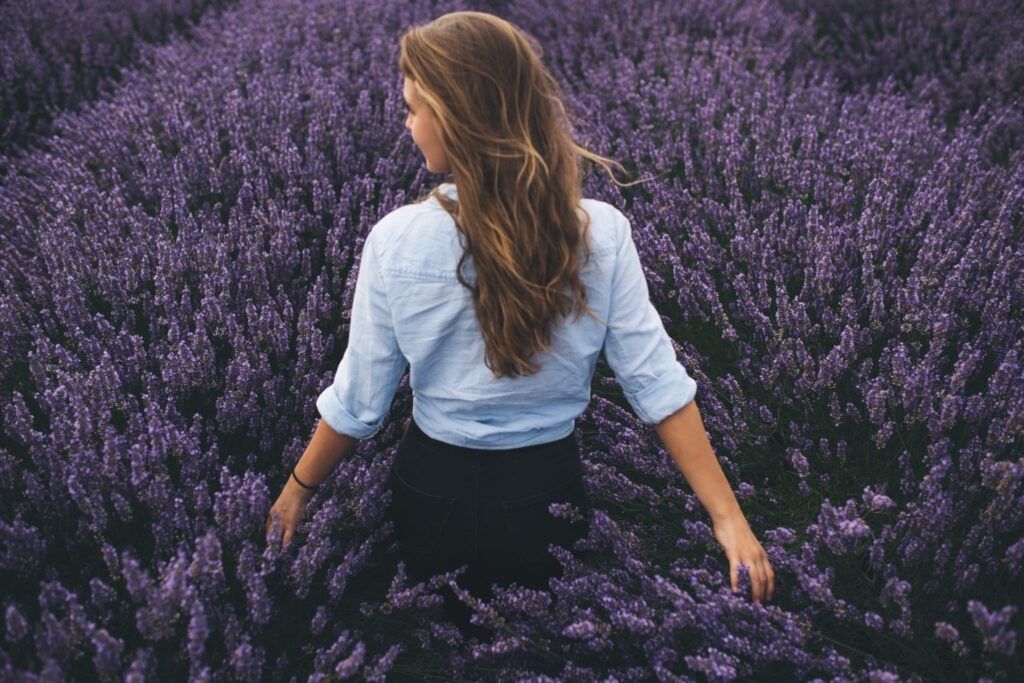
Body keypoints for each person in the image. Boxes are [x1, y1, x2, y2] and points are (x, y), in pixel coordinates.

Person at [266, 10, 774, 639]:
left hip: (432, 496)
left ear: (453, 117)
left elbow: (360, 403)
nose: (407, 124)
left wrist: (297, 490)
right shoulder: (599, 234)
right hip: (546, 496)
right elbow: (657, 386)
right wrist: (728, 518)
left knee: (444, 646)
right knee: (546, 649)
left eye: (415, 108)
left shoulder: (396, 240)